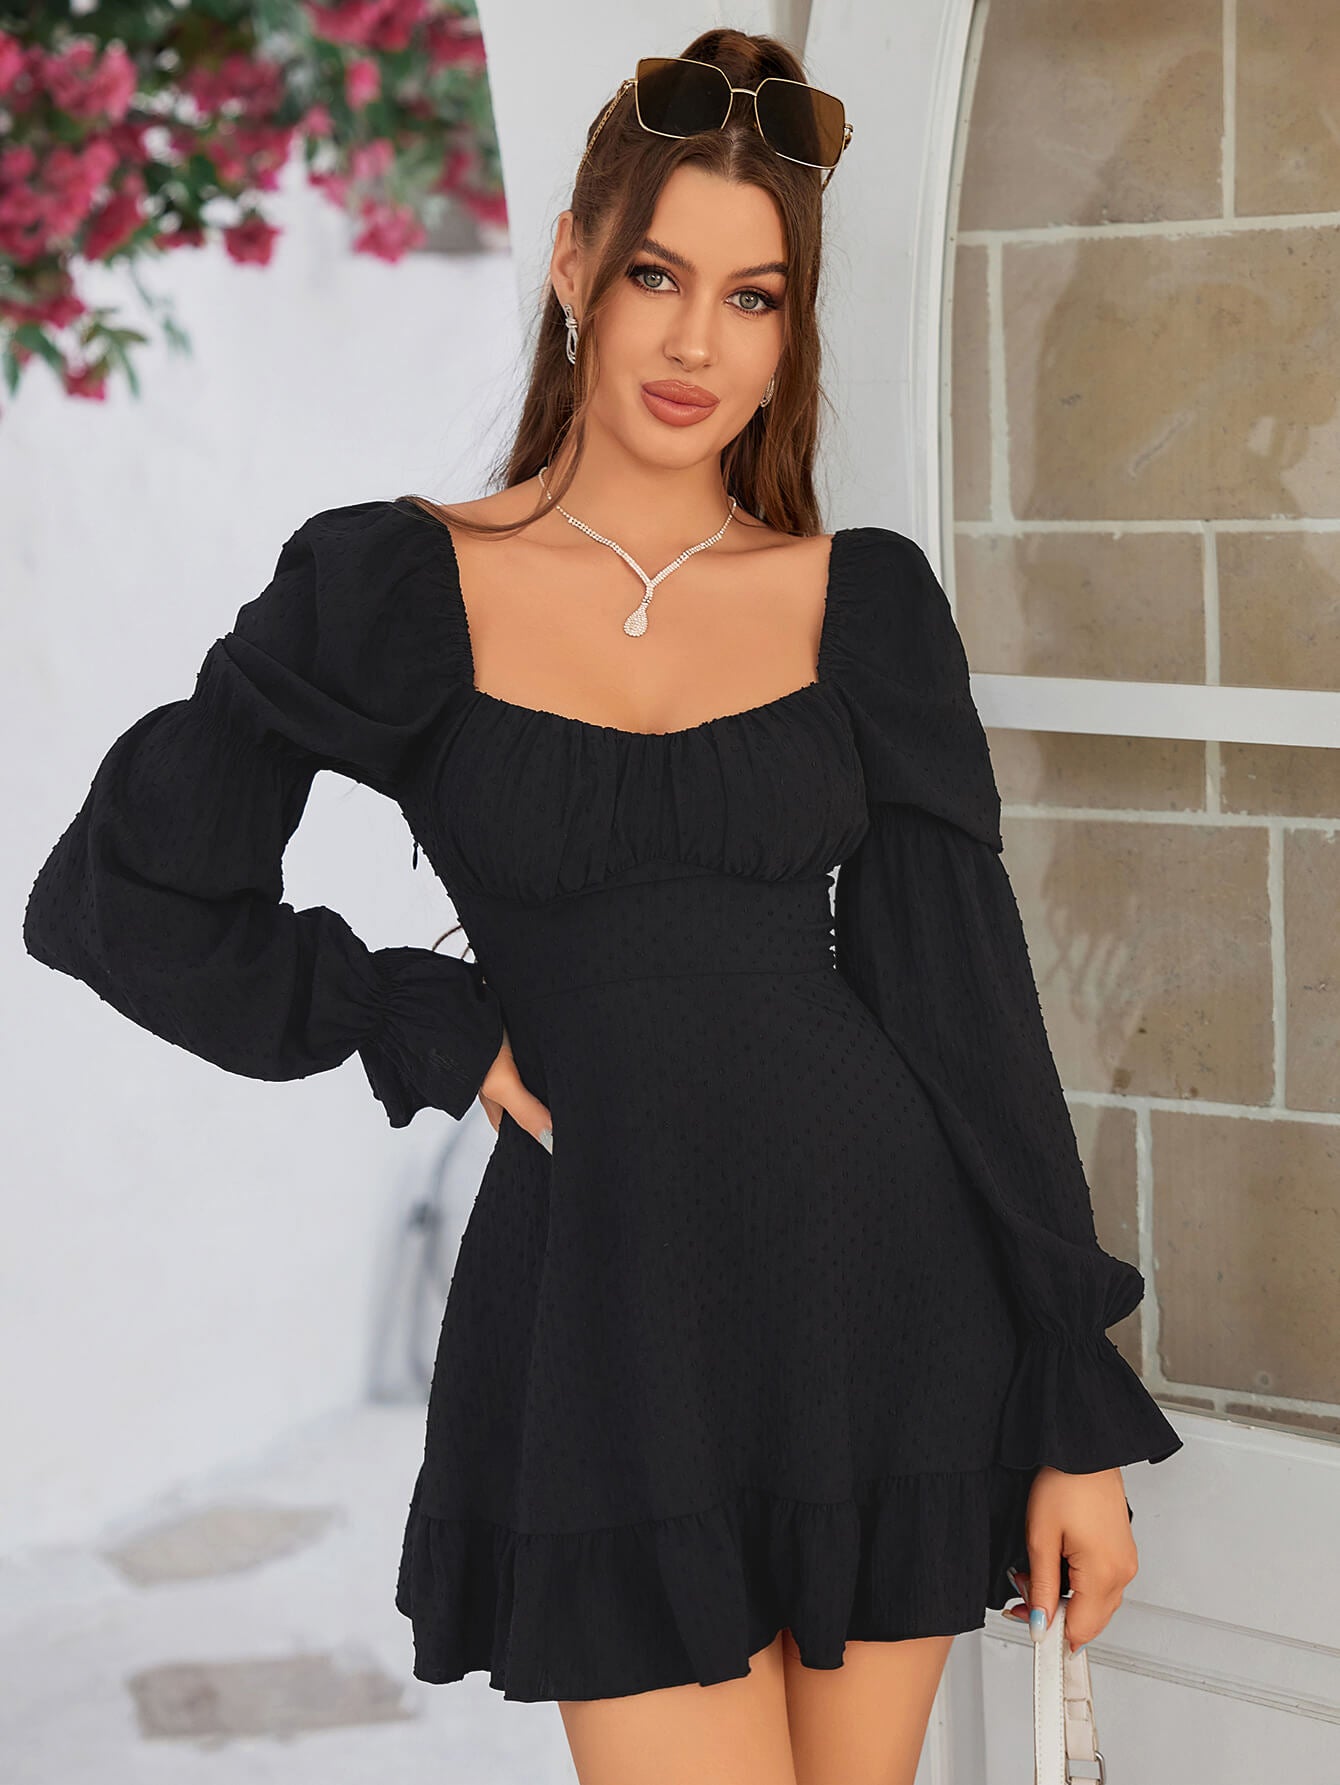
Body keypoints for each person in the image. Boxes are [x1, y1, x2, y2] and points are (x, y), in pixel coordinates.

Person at [22, 26, 1184, 1785]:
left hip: (879, 1294)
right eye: (657, 274)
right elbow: (125, 893)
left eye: (753, 296)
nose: (698, 341)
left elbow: (966, 1010)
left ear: (790, 331)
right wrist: (414, 1013)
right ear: (572, 263)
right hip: (607, 1314)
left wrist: (1070, 1411)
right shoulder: (396, 584)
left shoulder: (862, 602)